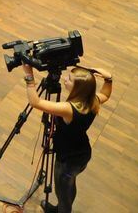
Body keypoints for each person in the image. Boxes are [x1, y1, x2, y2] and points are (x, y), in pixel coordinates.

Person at [21, 64, 113, 213]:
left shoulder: (68, 109)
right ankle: (60, 208)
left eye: (69, 79)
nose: (64, 79)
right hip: (82, 154)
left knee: (63, 193)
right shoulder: (93, 100)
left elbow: (35, 102)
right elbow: (106, 94)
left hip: (68, 160)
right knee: (69, 186)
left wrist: (29, 76)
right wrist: (109, 79)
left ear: (78, 89)